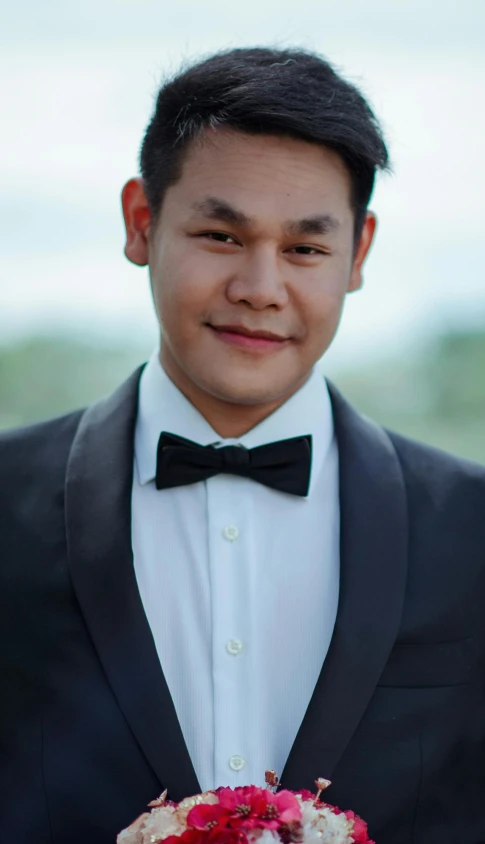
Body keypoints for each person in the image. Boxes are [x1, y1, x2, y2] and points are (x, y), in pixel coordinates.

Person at [0, 47, 484, 844]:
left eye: (304, 249)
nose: (260, 288)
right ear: (141, 223)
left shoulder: (469, 522)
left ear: (358, 253)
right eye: (222, 235)